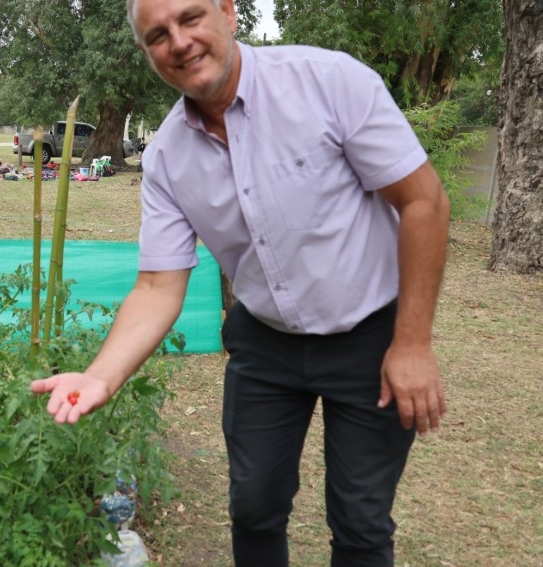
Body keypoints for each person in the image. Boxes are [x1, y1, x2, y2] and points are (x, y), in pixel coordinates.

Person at [30, 0, 450, 564]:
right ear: (146, 53)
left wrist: (413, 342)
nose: (178, 41)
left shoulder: (329, 82)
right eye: (158, 34)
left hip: (371, 337)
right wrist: (103, 376)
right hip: (266, 342)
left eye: (191, 17)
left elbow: (423, 201)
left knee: (360, 519)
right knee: (253, 507)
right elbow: (158, 286)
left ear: (229, 12)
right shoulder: (166, 159)